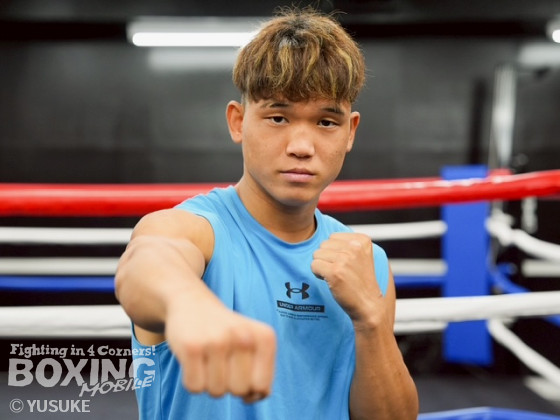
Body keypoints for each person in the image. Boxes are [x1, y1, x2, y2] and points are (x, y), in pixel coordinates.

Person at [115, 6, 418, 420]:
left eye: (326, 123)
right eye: (278, 117)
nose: (302, 147)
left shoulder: (369, 263)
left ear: (350, 132)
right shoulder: (198, 231)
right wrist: (189, 304)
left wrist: (371, 321)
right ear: (238, 122)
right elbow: (146, 264)